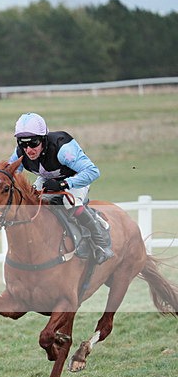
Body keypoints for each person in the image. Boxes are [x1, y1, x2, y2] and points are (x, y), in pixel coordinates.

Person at [10, 112, 113, 264]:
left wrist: (64, 184)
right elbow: (10, 174)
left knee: (68, 202)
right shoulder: (20, 152)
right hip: (48, 178)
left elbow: (93, 171)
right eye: (23, 143)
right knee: (33, 201)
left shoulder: (63, 148)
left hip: (76, 177)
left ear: (43, 139)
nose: (28, 149)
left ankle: (101, 244)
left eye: (33, 143)